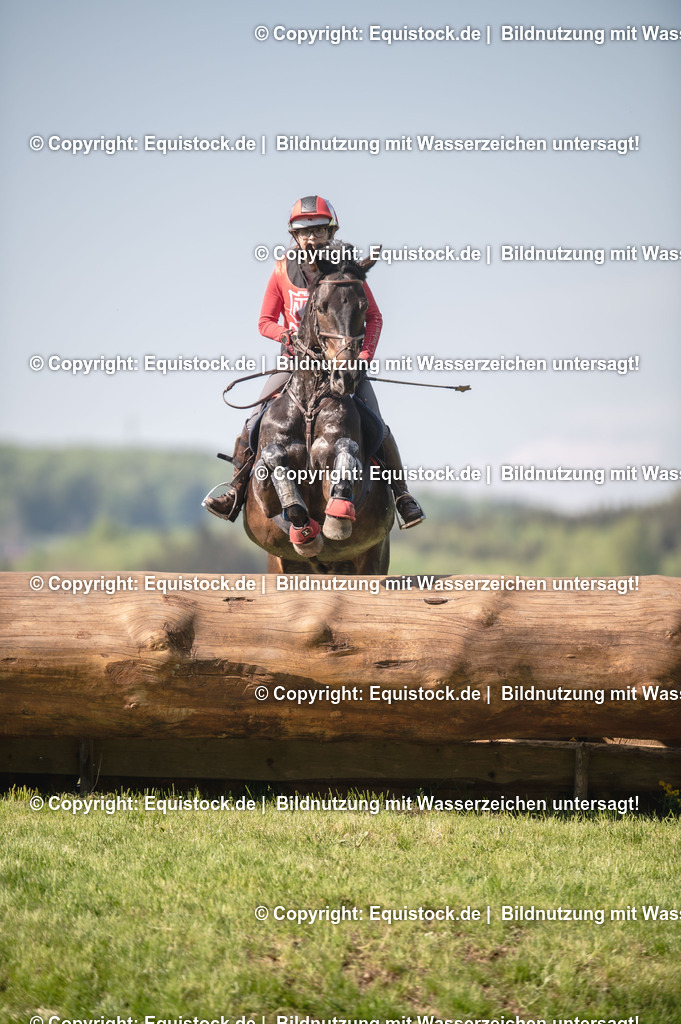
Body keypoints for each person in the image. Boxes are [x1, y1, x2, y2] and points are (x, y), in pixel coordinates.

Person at [203, 195, 425, 528]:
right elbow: (265, 321)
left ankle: (401, 496)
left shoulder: (346, 271)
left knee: (376, 422)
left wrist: (363, 356)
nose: (312, 238)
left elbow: (374, 317)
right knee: (253, 422)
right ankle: (235, 490)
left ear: (331, 233)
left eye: (319, 231)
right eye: (304, 232)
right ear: (293, 236)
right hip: (294, 366)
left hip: (341, 369)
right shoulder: (282, 269)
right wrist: (286, 337)